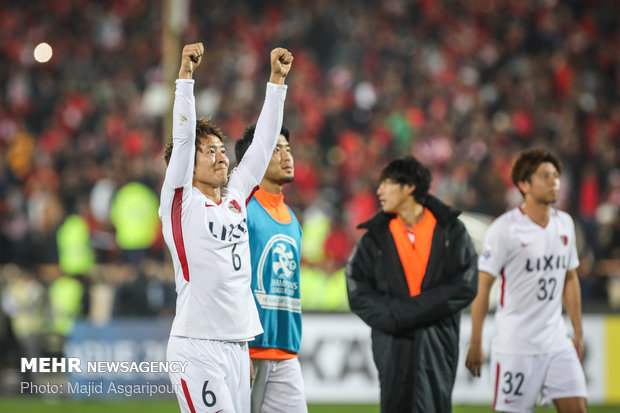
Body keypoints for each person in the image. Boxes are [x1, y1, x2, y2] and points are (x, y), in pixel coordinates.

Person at [160, 42, 293, 413]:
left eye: (222, 149)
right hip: (196, 343)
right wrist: (186, 77)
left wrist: (277, 82)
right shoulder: (181, 202)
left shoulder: (235, 196)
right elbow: (184, 139)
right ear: (188, 165)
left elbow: (263, 145)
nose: (221, 156)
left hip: (237, 344)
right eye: (210, 151)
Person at [346, 155, 478, 412]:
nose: (379, 191)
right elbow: (357, 291)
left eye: (387, 184)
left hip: (437, 345)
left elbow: (466, 284)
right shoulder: (375, 238)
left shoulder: (451, 231)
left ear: (409, 187)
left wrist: (404, 313)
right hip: (392, 347)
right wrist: (393, 317)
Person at [465, 148, 587, 413]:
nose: (553, 181)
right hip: (516, 346)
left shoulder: (565, 224)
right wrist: (475, 340)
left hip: (556, 342)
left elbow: (569, 277)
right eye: (544, 176)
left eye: (555, 175)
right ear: (524, 184)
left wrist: (577, 330)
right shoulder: (504, 229)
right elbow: (483, 285)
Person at [235, 125, 307, 413]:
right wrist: (241, 345)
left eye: (288, 148)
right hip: (248, 350)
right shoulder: (242, 210)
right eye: (276, 149)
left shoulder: (292, 219)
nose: (286, 155)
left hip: (286, 351)